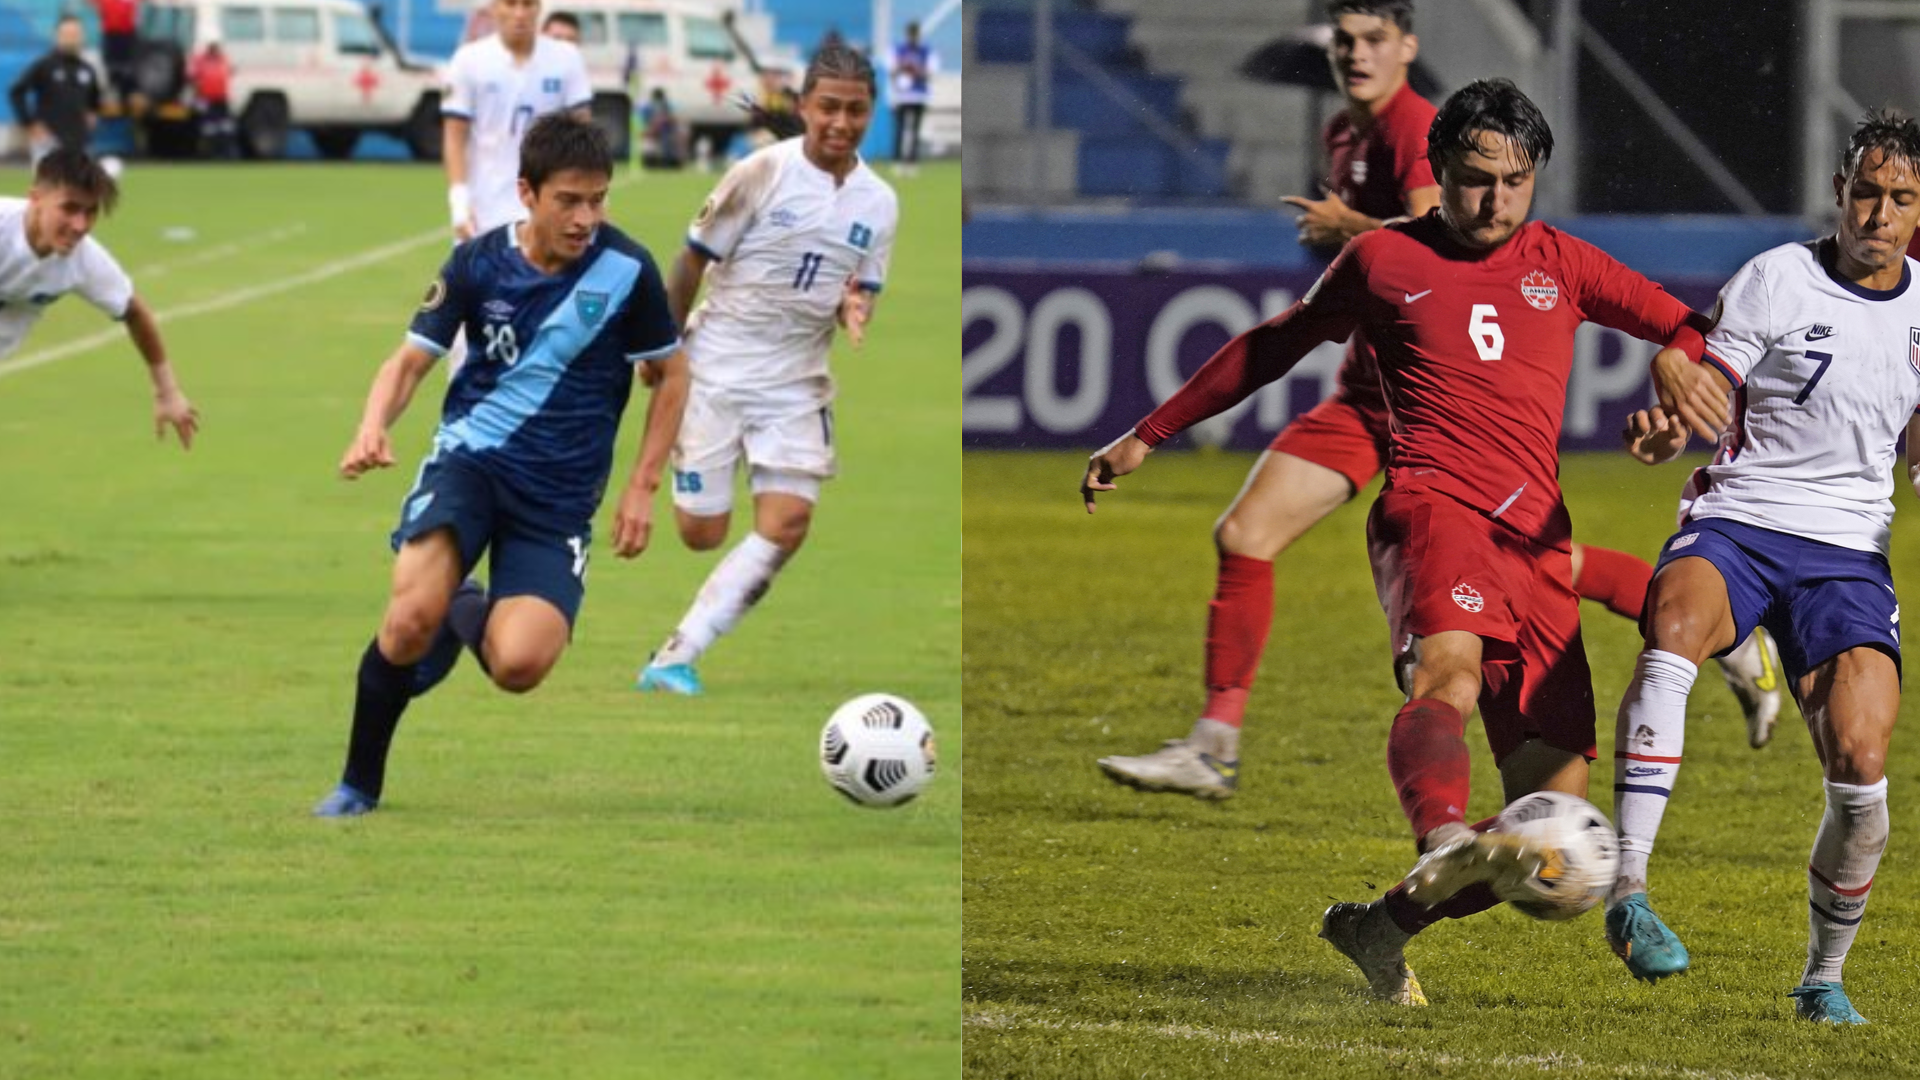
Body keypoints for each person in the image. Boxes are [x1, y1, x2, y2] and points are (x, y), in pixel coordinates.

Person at [1081, 79, 1721, 1005]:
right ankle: (1442, 835)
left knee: (1559, 817)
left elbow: (1694, 329)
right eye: (1473, 180)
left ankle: (1381, 925)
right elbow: (1276, 344)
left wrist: (1679, 364)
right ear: (1441, 172)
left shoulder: (1567, 262)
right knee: (1447, 682)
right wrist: (1150, 431)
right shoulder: (1383, 260)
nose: (1494, 200)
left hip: (1537, 539)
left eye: (1515, 180)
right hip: (1432, 510)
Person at [1093, 0, 1786, 802]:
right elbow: (1299, 327)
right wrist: (1150, 431)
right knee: (1265, 544)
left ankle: (1715, 638)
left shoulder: (1436, 151)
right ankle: (1258, 761)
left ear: (1407, 46)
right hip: (1383, 409)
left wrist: (1676, 360)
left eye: (1372, 40)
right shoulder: (1351, 149)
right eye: (1343, 40)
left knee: (1543, 582)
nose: (1354, 55)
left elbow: (1678, 321)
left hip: (1444, 430)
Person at [1602, 110, 1920, 1023]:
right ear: (1840, 191)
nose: (1879, 213)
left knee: (1862, 763)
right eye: (1867, 191)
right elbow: (1709, 384)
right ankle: (1629, 890)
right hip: (1741, 519)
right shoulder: (1777, 279)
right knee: (1672, 631)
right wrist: (1670, 422)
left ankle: (1824, 980)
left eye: (1900, 198)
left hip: (1849, 555)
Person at [312, 115, 687, 817]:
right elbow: (410, 362)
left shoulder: (628, 271)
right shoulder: (476, 264)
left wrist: (642, 485)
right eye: (569, 201)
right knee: (405, 620)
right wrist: (372, 425)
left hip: (560, 498)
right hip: (471, 464)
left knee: (519, 666)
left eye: (598, 200)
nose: (586, 219)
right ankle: (357, 785)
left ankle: (465, 609)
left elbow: (672, 374)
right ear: (527, 193)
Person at [633, 41, 897, 696]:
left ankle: (678, 653)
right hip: (716, 367)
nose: (841, 123)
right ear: (804, 107)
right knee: (702, 532)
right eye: (829, 107)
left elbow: (859, 284)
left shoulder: (880, 203)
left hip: (796, 380)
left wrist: (853, 307)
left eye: (856, 111)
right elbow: (690, 261)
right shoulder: (759, 173)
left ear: (872, 113)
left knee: (787, 525)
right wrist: (663, 350)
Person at [0, 148, 197, 445]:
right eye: (69, 208)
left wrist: (167, 392)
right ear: (36, 198)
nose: (80, 226)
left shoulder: (85, 261)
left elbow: (134, 312)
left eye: (90, 212)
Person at [442, 0, 592, 377]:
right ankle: (463, 422)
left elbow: (583, 139)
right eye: (511, 3)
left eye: (529, 4)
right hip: (485, 216)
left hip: (548, 219)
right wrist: (459, 200)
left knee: (547, 327)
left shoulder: (566, 59)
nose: (521, 13)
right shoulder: (469, 60)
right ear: (493, 8)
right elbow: (455, 136)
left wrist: (587, 206)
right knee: (469, 327)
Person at [9, 17, 103, 163]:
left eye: (75, 34)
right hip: (49, 140)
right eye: (66, 34)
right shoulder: (45, 65)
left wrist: (92, 112)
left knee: (78, 185)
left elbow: (94, 98)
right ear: (57, 36)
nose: (71, 39)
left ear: (82, 36)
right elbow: (16, 91)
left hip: (79, 140)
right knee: (50, 185)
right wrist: (29, 123)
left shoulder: (87, 69)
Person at [888, 21, 936, 175]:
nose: (913, 37)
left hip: (919, 95)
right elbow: (891, 71)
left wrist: (916, 69)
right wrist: (903, 66)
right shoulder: (898, 49)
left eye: (915, 34)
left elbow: (930, 73)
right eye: (911, 34)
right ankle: (897, 161)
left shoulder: (927, 51)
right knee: (900, 129)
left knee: (915, 130)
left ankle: (912, 162)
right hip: (902, 95)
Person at [188, 40, 234, 159]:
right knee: (208, 127)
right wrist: (197, 98)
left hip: (222, 98)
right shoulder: (201, 60)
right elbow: (193, 77)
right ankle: (209, 153)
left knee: (225, 126)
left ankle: (225, 151)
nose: (214, 50)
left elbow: (229, 72)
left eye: (216, 48)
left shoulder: (223, 59)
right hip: (207, 99)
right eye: (212, 48)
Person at [92, 0, 140, 110]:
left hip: (128, 36)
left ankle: (127, 96)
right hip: (110, 36)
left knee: (128, 71)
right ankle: (111, 95)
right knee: (110, 69)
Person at [641, 88, 686, 168]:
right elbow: (646, 122)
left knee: (668, 143)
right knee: (653, 144)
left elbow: (673, 119)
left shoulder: (666, 106)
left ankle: (670, 161)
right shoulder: (649, 108)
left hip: (666, 132)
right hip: (655, 132)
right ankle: (656, 161)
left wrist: (662, 122)